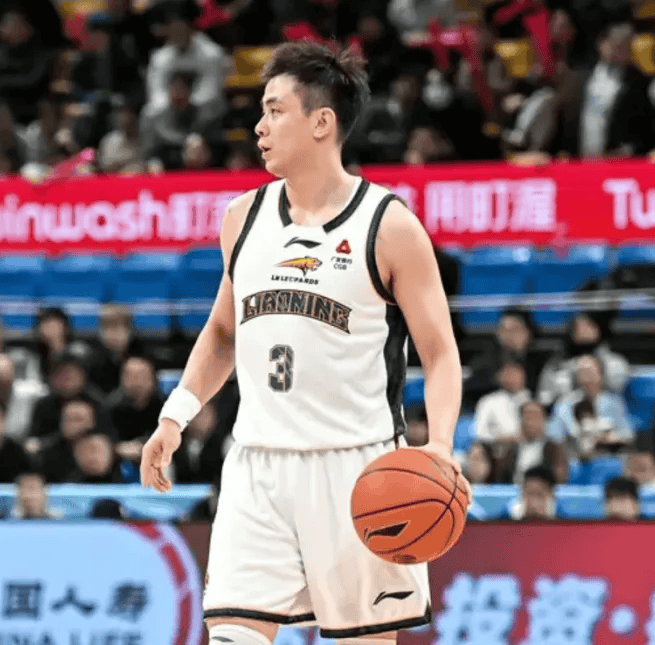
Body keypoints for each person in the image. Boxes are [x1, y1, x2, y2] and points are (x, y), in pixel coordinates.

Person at [140, 41, 468, 645]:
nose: (259, 127)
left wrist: (441, 445)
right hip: (257, 465)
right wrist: (175, 415)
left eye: (274, 111)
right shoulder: (242, 217)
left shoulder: (389, 226)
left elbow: (441, 352)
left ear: (322, 122)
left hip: (358, 469)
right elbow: (222, 332)